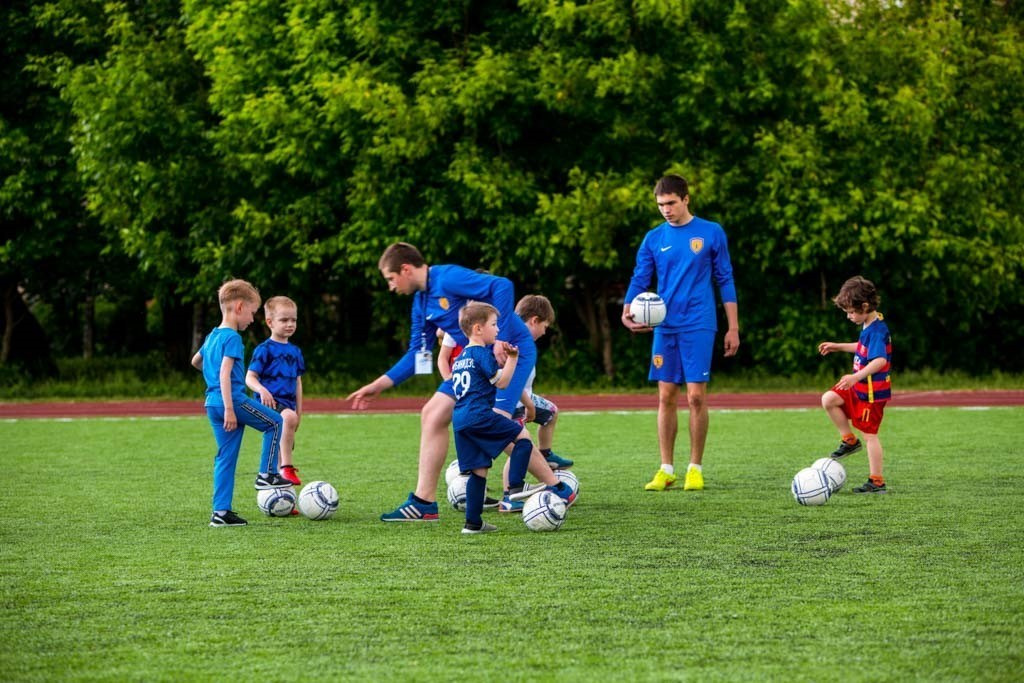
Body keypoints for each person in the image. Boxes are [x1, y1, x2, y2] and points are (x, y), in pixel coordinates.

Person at [346, 242, 554, 522]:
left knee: (496, 421)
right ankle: (424, 503)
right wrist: (379, 385)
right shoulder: (421, 305)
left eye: (391, 279)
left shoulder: (446, 277)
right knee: (432, 414)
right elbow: (417, 356)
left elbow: (502, 285)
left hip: (512, 352)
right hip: (473, 364)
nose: (391, 287)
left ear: (405, 269)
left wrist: (500, 339)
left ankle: (557, 488)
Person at [622, 175, 740, 492]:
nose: (666, 210)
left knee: (696, 396)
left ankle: (694, 467)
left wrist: (733, 327)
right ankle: (666, 468)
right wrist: (627, 306)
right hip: (665, 325)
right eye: (661, 205)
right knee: (665, 396)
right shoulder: (653, 238)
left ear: (686, 199)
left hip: (699, 321)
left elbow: (725, 279)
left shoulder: (711, 232)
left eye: (671, 203)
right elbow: (640, 277)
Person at [451, 302, 576, 533]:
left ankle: (473, 524)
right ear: (478, 329)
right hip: (480, 415)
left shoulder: (461, 358)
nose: (498, 330)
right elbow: (503, 382)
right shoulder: (481, 353)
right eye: (494, 324)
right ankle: (515, 488)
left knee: (479, 472)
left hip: (460, 421)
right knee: (523, 438)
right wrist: (513, 358)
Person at [191, 279, 291, 527]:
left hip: (211, 402)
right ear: (238, 307)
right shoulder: (232, 338)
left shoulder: (213, 336)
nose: (252, 318)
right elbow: (225, 374)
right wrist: (229, 407)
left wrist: (212, 383)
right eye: (252, 312)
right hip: (231, 401)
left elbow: (195, 361)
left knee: (225, 457)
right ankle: (266, 475)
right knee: (276, 422)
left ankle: (221, 513)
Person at [818, 276, 892, 493]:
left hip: (870, 393)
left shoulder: (878, 330)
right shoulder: (869, 323)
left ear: (865, 306)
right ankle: (849, 440)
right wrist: (838, 346)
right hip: (858, 388)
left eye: (851, 312)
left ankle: (876, 481)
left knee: (870, 436)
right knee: (829, 399)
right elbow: (863, 348)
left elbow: (880, 360)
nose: (849, 316)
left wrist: (855, 377)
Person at [246, 296, 306, 488]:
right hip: (269, 402)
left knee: (282, 448)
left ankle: (283, 497)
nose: (290, 324)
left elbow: (297, 382)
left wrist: (299, 412)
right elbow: (250, 377)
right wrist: (262, 390)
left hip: (288, 405)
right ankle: (288, 467)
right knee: (287, 419)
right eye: (284, 320)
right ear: (270, 322)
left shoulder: (295, 351)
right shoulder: (264, 349)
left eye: (293, 320)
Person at [510, 294, 574, 471]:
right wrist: (529, 404)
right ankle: (513, 488)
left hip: (525, 398)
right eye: (544, 326)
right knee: (522, 447)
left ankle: (546, 454)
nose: (545, 332)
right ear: (534, 320)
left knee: (551, 413)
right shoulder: (516, 343)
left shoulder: (524, 341)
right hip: (513, 405)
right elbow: (512, 383)